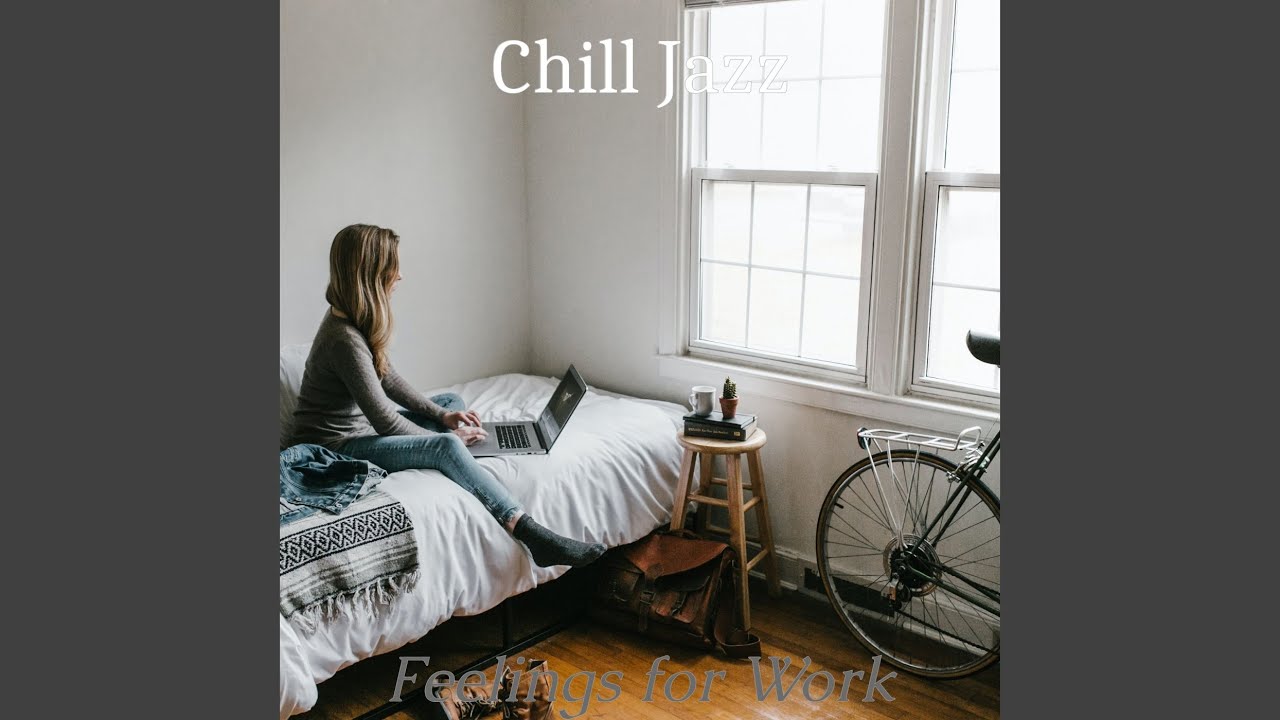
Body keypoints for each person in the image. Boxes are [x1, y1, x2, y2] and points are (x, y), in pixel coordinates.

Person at [287, 223, 605, 568]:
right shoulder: (344, 339)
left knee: (451, 404)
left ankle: (457, 450)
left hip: (358, 431)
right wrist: (446, 440)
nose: (401, 275)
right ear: (372, 273)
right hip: (333, 448)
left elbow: (389, 379)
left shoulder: (353, 319)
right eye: (394, 266)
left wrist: (442, 416)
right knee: (446, 446)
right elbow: (384, 420)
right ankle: (529, 532)